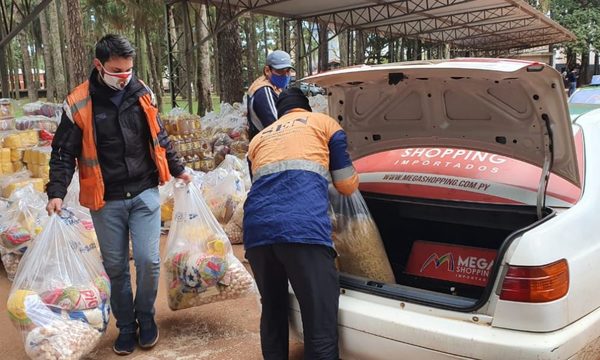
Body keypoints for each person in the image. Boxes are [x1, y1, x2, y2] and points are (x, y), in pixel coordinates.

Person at [45, 34, 191, 355]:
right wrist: (56, 191)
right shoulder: (79, 102)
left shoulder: (142, 92)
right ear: (99, 66)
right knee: (116, 268)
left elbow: (159, 136)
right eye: (117, 70)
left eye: (128, 70)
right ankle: (126, 326)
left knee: (149, 260)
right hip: (105, 199)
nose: (124, 76)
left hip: (144, 192)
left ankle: (146, 316)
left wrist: (178, 168)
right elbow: (62, 152)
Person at [243, 87, 359, 359]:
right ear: (306, 108)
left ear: (280, 113)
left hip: (257, 232)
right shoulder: (325, 124)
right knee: (318, 319)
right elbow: (345, 184)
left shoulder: (258, 139)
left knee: (272, 311)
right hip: (303, 230)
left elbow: (261, 185)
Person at [247, 50, 293, 140]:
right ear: (267, 70)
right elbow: (277, 127)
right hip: (267, 144)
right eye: (280, 71)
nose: (286, 75)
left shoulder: (272, 86)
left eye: (288, 71)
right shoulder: (264, 92)